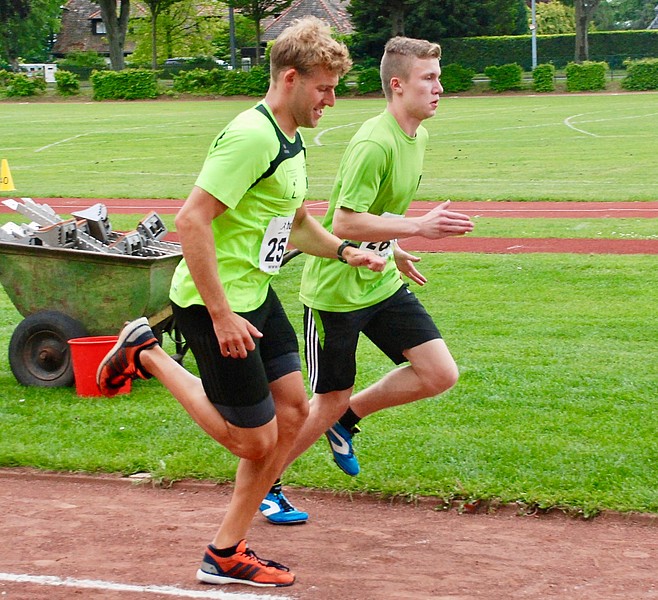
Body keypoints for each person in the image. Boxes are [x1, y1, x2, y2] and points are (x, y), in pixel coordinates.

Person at [96, 16, 385, 588]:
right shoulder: (252, 136)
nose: (331, 101)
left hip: (256, 296)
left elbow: (294, 224)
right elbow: (191, 220)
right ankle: (146, 352)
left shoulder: (290, 138)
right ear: (291, 78)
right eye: (324, 89)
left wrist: (345, 251)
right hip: (215, 305)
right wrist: (223, 314)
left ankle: (225, 553)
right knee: (252, 440)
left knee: (294, 413)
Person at [260, 36, 475, 523]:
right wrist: (417, 227)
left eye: (438, 78)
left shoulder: (417, 136)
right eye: (428, 79)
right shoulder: (374, 143)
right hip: (336, 293)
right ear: (397, 85)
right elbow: (344, 221)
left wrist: (393, 247)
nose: (439, 88)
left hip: (380, 281)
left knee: (439, 373)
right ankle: (267, 483)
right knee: (326, 399)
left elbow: (378, 213)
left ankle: (347, 421)